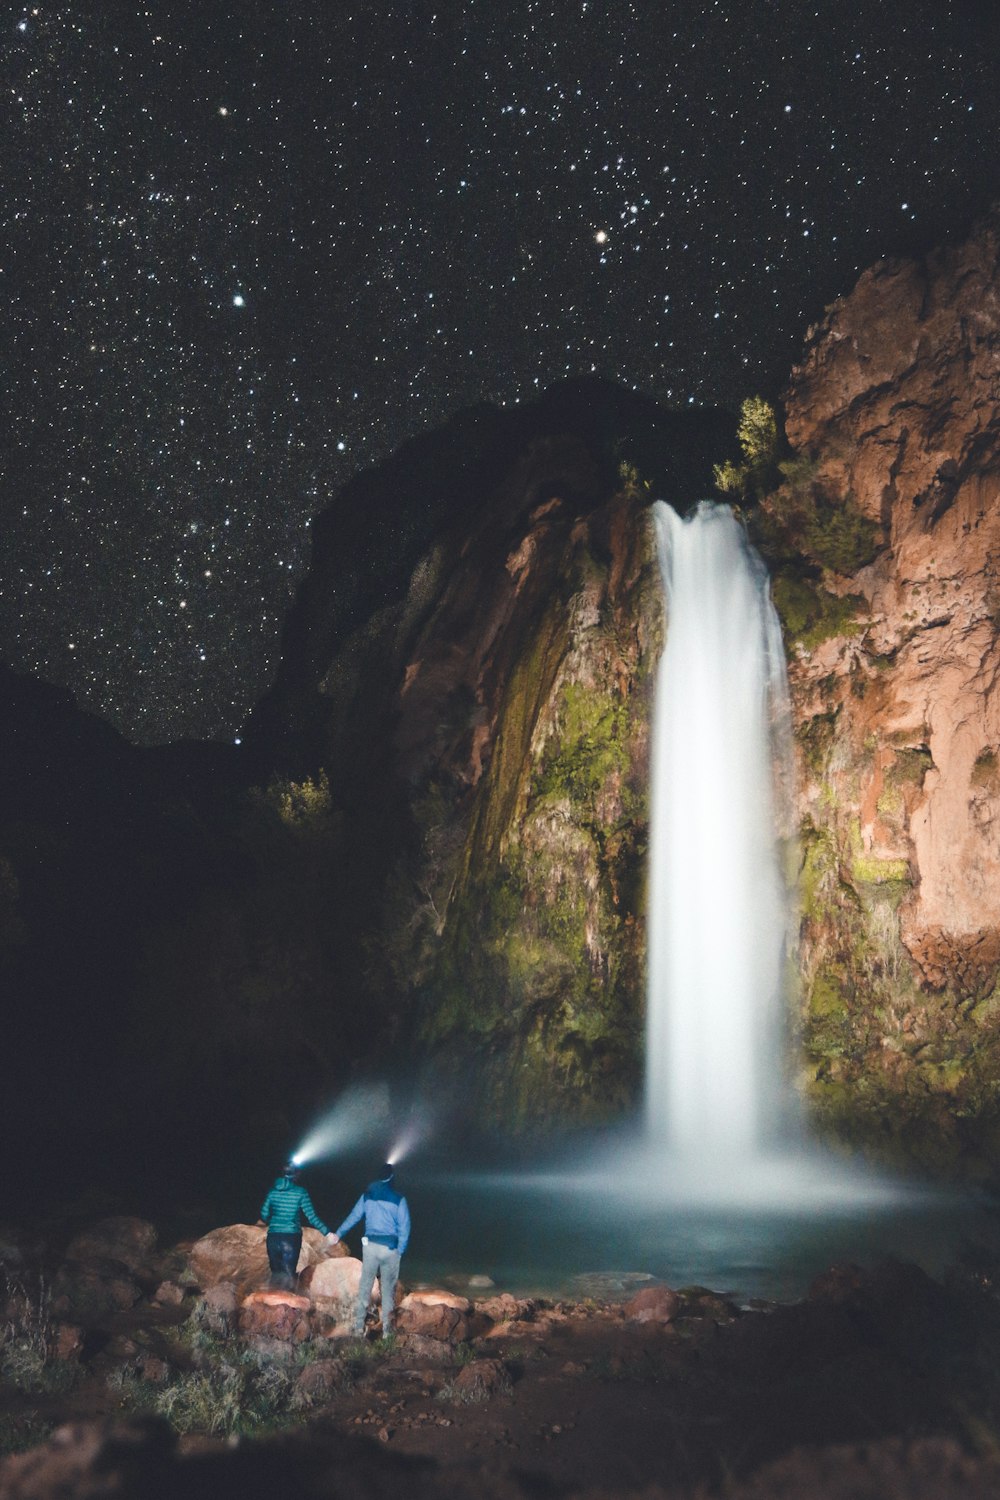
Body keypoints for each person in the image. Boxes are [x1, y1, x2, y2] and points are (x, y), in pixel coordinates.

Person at [330, 1163, 410, 1337]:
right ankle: (387, 1332)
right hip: (390, 1248)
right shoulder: (398, 1198)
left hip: (370, 1247)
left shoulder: (367, 1196)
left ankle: (359, 1328)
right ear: (392, 1177)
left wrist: (338, 1233)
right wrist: (400, 1250)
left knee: (365, 1287)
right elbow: (405, 1227)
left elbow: (354, 1216)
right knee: (388, 1291)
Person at [259, 1163, 337, 1289]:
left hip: (273, 1237)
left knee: (276, 1274)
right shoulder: (300, 1192)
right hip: (291, 1237)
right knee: (289, 1274)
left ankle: (273, 1303)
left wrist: (272, 1221)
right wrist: (327, 1232)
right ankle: (289, 1305)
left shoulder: (272, 1192)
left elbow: (264, 1214)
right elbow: (311, 1216)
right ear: (296, 1175)